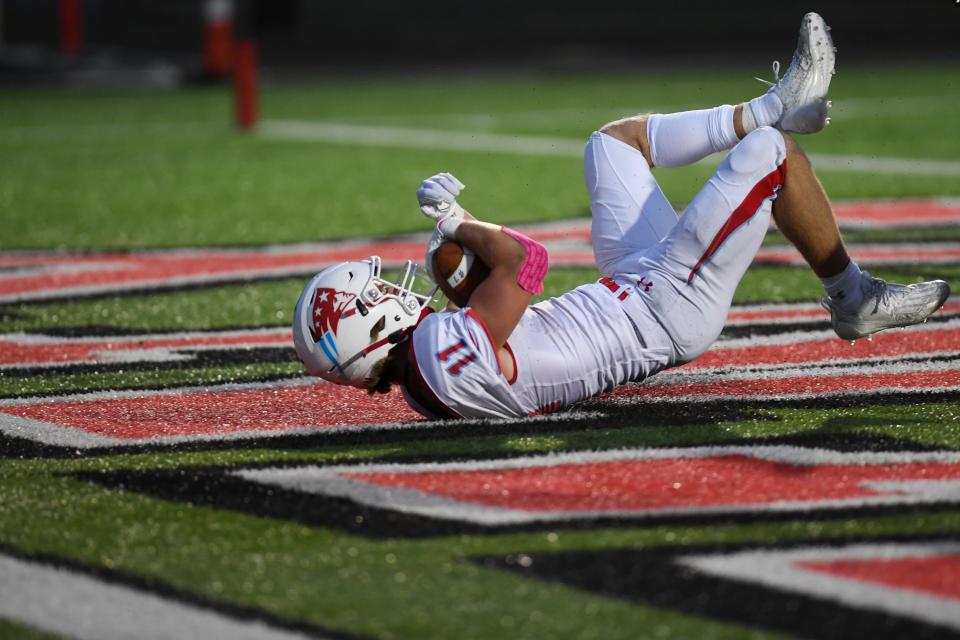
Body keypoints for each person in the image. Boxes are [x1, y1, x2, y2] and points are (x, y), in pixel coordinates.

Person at [292, 12, 950, 419]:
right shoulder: (434, 354)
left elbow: (506, 321)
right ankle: (852, 294)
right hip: (664, 305)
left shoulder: (427, 383)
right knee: (773, 155)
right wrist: (458, 220)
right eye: (374, 294)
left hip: (632, 292)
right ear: (364, 328)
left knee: (611, 144)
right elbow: (529, 264)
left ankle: (773, 103)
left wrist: (452, 261)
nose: (389, 290)